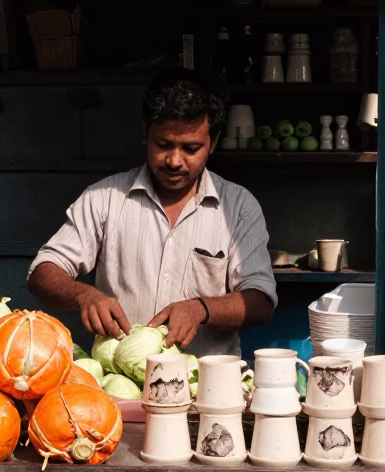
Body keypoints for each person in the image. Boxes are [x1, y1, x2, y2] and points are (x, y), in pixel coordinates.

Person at [27, 73, 276, 355]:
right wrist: (83, 295)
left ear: (213, 142)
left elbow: (260, 301)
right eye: (163, 144)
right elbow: (43, 272)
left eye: (191, 148)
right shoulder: (103, 198)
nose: (174, 160)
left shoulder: (239, 207)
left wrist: (202, 309)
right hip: (122, 384)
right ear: (145, 132)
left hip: (206, 388)